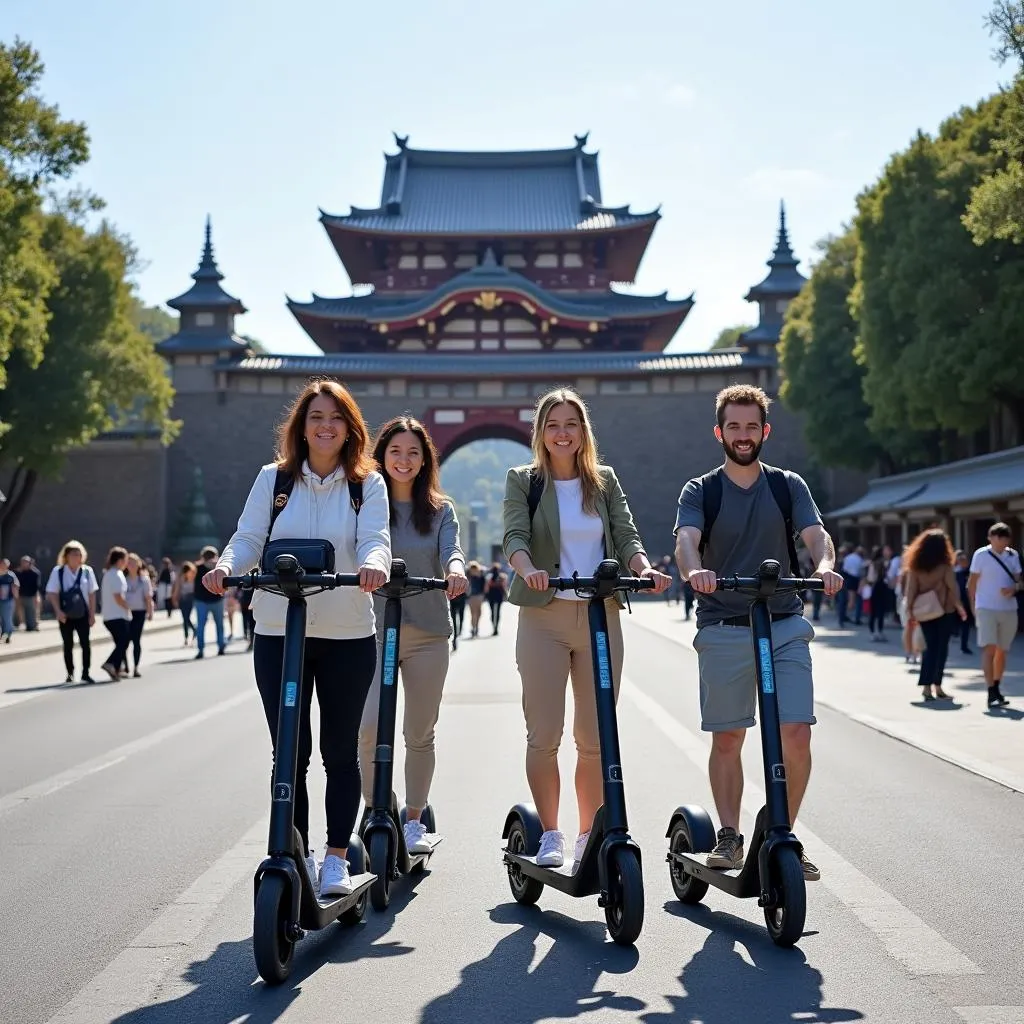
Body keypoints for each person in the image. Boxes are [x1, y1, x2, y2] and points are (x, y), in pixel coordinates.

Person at [204, 379, 391, 897]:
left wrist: (374, 565)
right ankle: (295, 851)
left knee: (338, 751)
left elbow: (376, 538)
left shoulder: (366, 486)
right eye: (315, 418)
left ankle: (335, 857)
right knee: (290, 750)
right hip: (279, 631)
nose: (325, 426)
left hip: (347, 633)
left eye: (335, 417)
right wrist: (225, 567)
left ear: (349, 427)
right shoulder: (274, 480)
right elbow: (248, 538)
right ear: (301, 428)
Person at [673, 384, 842, 882]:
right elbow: (686, 540)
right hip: (725, 622)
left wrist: (826, 566)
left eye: (752, 427)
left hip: (784, 621)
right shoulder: (701, 490)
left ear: (764, 431)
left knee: (797, 730)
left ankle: (782, 831)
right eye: (734, 427)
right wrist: (693, 571)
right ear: (719, 432)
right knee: (729, 736)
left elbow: (817, 538)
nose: (743, 436)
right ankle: (729, 835)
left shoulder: (787, 485)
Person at [503, 387, 671, 868]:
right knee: (545, 734)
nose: (562, 433)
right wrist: (525, 566)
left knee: (596, 736)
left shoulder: (604, 481)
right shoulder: (524, 480)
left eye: (570, 424)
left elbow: (626, 533)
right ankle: (551, 833)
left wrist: (643, 566)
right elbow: (514, 533)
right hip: (544, 614)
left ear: (583, 431)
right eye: (552, 424)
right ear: (541, 432)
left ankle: (586, 835)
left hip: (600, 613)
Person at [358, 415, 467, 854]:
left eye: (413, 453)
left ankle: (416, 818)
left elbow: (452, 551)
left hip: (427, 632)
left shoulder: (440, 509)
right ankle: (378, 806)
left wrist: (456, 570)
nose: (404, 460)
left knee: (419, 731)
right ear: (381, 456)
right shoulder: (363, 504)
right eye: (395, 451)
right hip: (371, 631)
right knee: (367, 730)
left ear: (425, 461)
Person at [903, 528, 966, 702]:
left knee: (929, 649)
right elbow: (953, 588)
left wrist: (910, 610)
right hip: (944, 611)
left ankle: (926, 687)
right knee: (941, 649)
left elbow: (911, 590)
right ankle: (938, 686)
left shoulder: (915, 566)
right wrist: (959, 606)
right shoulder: (945, 566)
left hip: (924, 612)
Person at [968, 522, 1022, 708]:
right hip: (986, 607)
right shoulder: (981, 555)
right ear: (990, 538)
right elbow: (972, 583)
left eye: (1004, 538)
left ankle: (997, 685)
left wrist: (1013, 588)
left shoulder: (1012, 555)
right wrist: (973, 606)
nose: (1000, 541)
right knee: (989, 649)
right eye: (997, 537)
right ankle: (990, 690)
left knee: (1002, 650)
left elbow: (1019, 580)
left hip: (1008, 608)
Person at [45, 540, 98, 683]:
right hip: (65, 613)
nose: (77, 557)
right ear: (66, 556)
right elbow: (52, 592)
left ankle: (85, 672)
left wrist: (92, 614)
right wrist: (58, 611)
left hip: (83, 613)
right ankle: (70, 672)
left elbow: (92, 594)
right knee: (67, 644)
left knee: (85, 643)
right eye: (74, 554)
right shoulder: (59, 571)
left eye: (79, 554)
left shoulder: (87, 571)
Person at [99, 546, 133, 682]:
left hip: (109, 615)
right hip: (117, 615)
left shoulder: (109, 574)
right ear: (120, 560)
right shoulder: (116, 574)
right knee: (124, 641)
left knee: (120, 642)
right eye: (125, 560)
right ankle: (111, 663)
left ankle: (117, 669)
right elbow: (118, 597)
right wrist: (128, 607)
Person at [123, 553, 155, 677]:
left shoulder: (143, 580)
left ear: (139, 564)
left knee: (136, 640)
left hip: (139, 612)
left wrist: (150, 611)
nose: (131, 565)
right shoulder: (123, 579)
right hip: (125, 613)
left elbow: (148, 597)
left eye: (134, 563)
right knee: (124, 641)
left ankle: (136, 667)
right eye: (129, 562)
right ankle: (125, 666)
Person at [192, 546, 226, 659]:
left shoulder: (197, 567)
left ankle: (200, 650)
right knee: (219, 625)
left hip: (201, 600)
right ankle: (221, 646)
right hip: (216, 599)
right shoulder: (219, 567)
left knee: (201, 625)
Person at [953, 549, 974, 655]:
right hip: (955, 602)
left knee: (966, 625)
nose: (963, 562)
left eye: (965, 559)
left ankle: (964, 645)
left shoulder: (970, 572)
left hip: (967, 602)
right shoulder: (954, 573)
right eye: (960, 559)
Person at [171, 561, 196, 646]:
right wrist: (174, 600)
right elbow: (177, 590)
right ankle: (187, 636)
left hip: (190, 599)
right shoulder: (180, 578)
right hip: (182, 599)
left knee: (186, 618)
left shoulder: (193, 576)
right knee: (185, 619)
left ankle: (194, 631)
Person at [485, 561, 508, 635]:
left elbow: (487, 587)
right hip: (499, 595)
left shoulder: (489, 577)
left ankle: (493, 626)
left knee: (492, 612)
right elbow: (504, 586)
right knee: (498, 612)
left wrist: (485, 595)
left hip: (491, 595)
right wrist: (506, 595)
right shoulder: (502, 576)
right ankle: (496, 627)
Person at [0, 558, 18, 642]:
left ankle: (8, 635)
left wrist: (15, 597)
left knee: (7, 618)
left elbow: (16, 586)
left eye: (5, 564)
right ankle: (2, 633)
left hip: (8, 600)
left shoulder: (11, 575)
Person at [466, 561, 486, 637]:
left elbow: (484, 585)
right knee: (473, 613)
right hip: (472, 596)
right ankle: (474, 628)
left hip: (479, 596)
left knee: (478, 613)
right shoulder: (468, 575)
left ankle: (476, 627)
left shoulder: (481, 575)